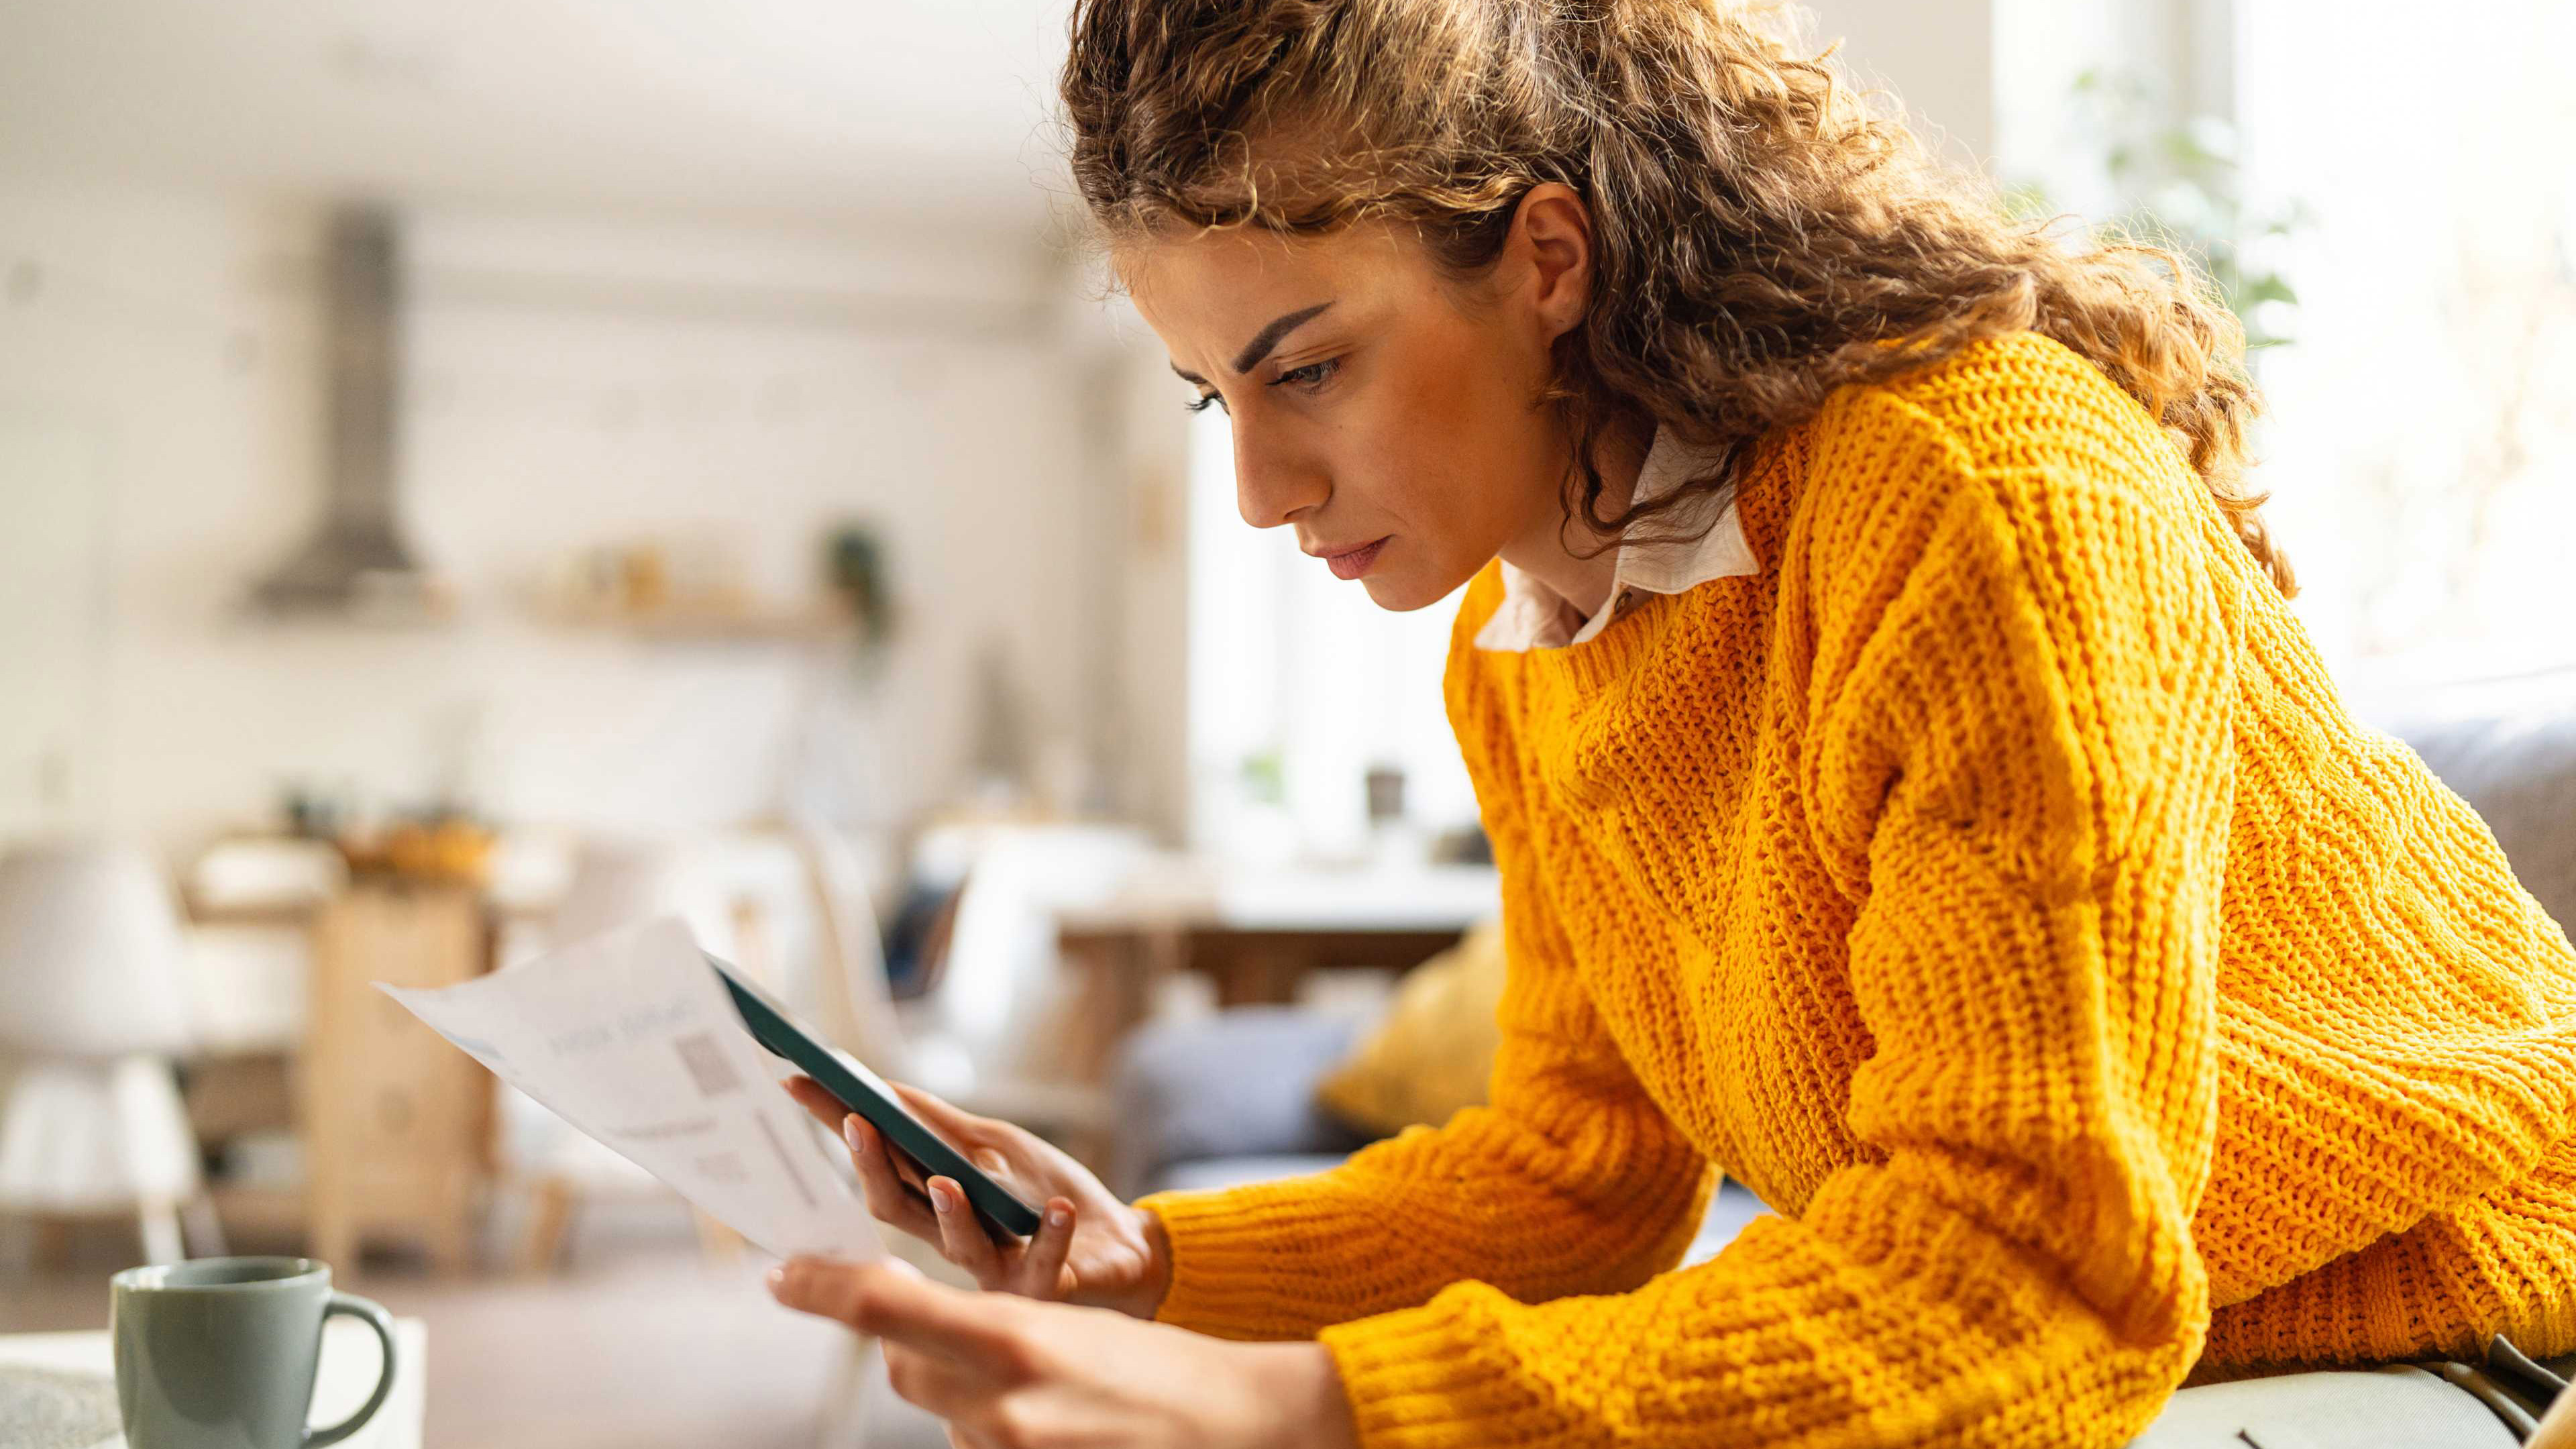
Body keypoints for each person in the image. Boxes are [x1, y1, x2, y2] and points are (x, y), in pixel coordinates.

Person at [766, 1, 2576, 1444]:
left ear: (1545, 258)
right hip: (2142, 1359)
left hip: (2467, 1323)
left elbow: (2034, 1276)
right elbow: (1577, 1181)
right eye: (1209, 396)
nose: (1255, 488)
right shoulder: (1519, 641)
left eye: (1307, 367)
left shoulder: (1975, 493)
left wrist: (1306, 1405)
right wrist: (1146, 1265)